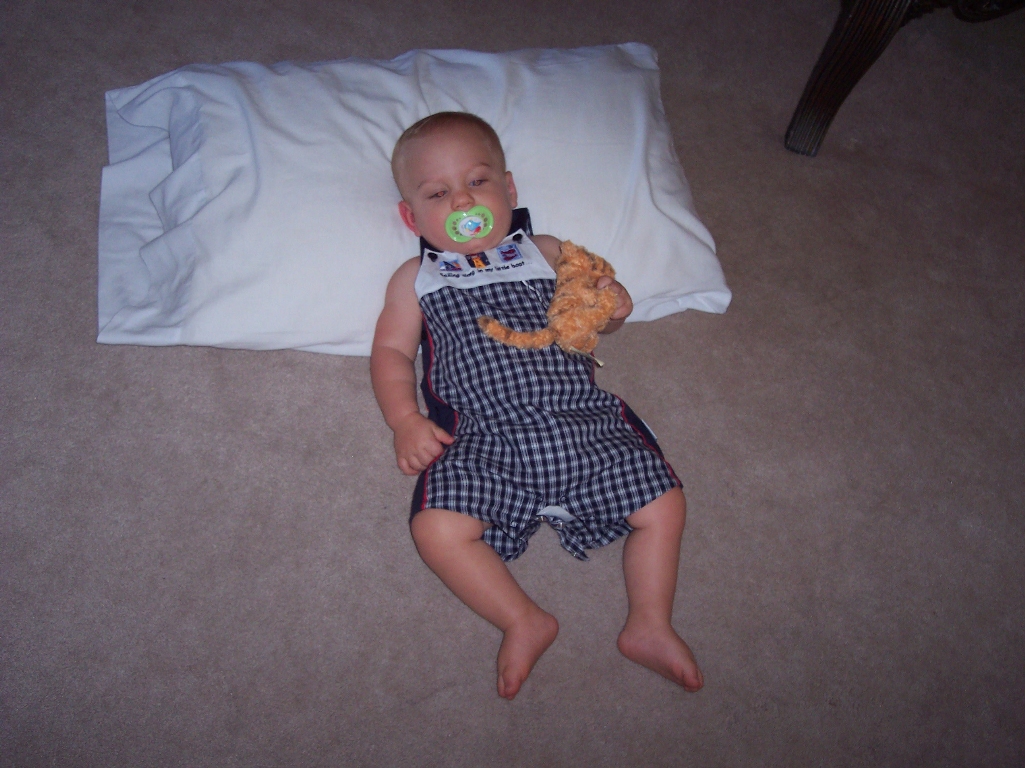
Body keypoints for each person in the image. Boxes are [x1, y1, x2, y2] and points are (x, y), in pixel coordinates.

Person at [370, 112, 703, 700]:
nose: (462, 201)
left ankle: (650, 624)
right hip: (484, 439)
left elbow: (594, 307)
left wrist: (614, 303)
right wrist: (405, 419)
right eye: (438, 194)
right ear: (411, 217)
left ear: (509, 189)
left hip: (582, 424)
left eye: (477, 181)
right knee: (436, 530)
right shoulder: (415, 278)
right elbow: (392, 352)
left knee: (665, 503)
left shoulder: (546, 252)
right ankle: (522, 619)